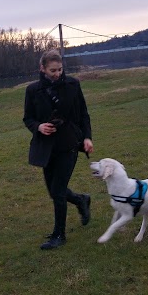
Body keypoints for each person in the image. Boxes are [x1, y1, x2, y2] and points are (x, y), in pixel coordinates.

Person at [23, 49, 94, 250]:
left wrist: (87, 137)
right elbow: (28, 118)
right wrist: (39, 127)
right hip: (46, 148)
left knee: (58, 191)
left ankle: (59, 235)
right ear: (42, 68)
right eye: (53, 70)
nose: (57, 74)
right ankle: (81, 200)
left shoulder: (73, 84)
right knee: (54, 191)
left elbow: (83, 114)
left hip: (69, 144)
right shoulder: (32, 90)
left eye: (60, 69)